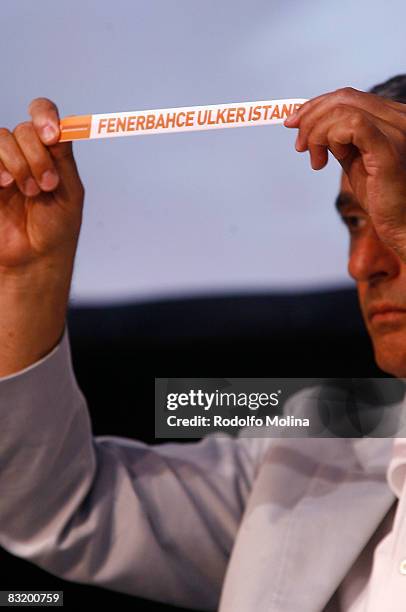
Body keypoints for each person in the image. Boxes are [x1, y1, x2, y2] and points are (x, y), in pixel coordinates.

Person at [1, 75, 406, 612]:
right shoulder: (316, 447)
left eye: (398, 213)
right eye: (356, 222)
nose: (362, 263)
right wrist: (31, 275)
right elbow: (53, 506)